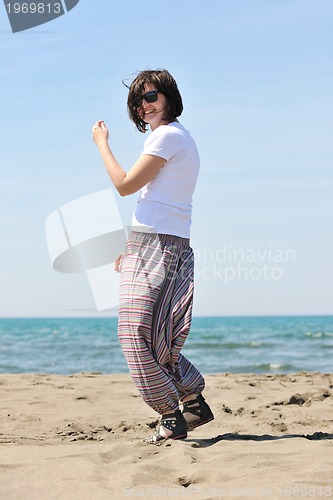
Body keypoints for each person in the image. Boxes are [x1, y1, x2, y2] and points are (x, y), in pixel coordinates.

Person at [92, 69, 213, 444]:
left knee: (132, 335)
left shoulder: (169, 136)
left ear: (168, 97)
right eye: (137, 100)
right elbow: (155, 201)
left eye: (151, 96)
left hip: (160, 245)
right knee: (156, 336)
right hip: (155, 242)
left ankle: (170, 414)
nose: (144, 106)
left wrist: (101, 143)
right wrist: (131, 245)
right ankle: (192, 400)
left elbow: (126, 186)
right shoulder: (178, 138)